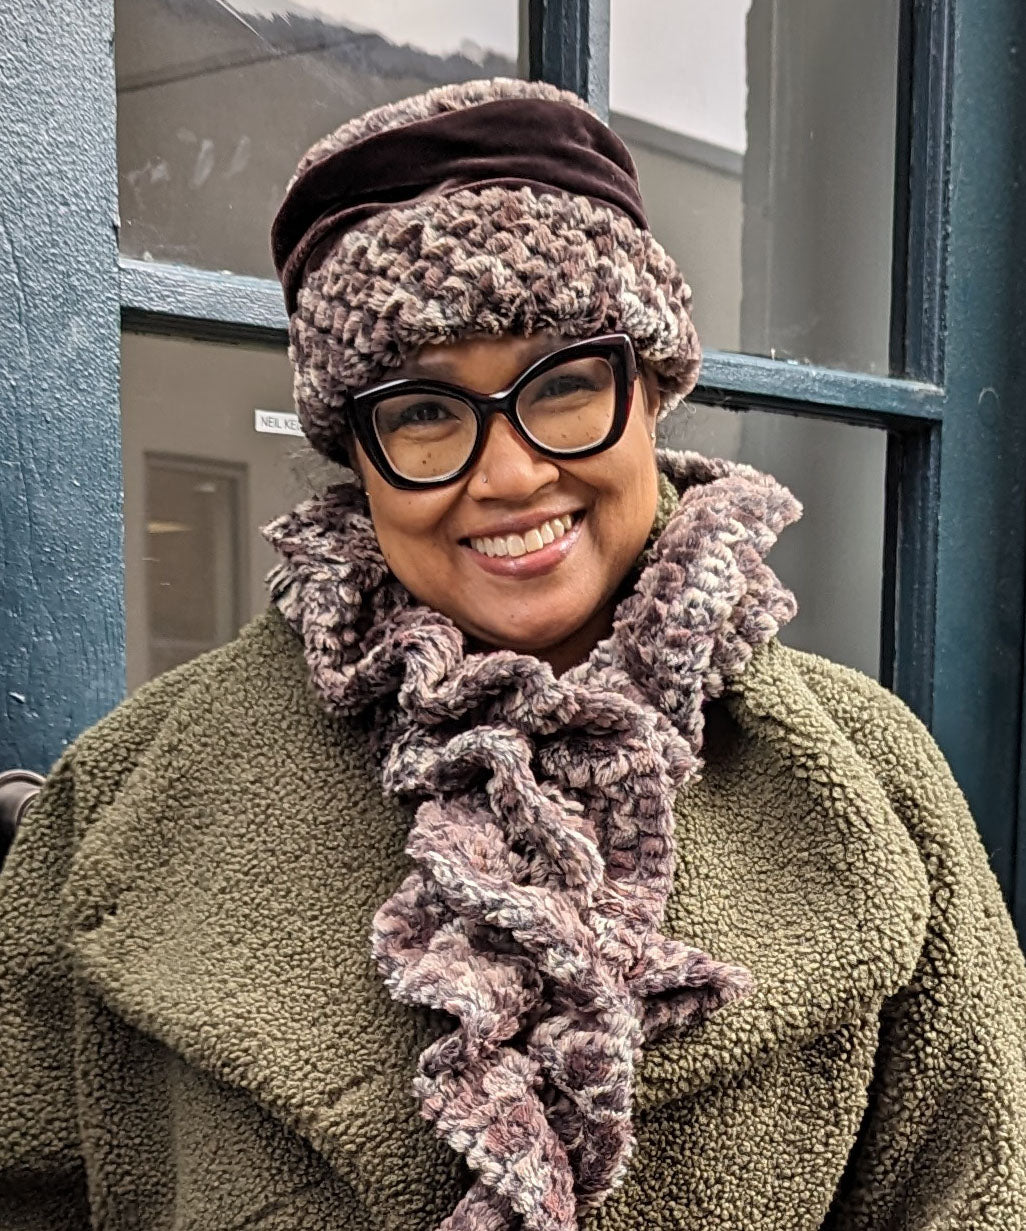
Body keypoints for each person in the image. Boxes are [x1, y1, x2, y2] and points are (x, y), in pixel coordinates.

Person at [1, 76, 1024, 1231]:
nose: (507, 475)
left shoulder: (875, 778)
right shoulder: (126, 794)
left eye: (566, 382)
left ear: (650, 391)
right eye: (426, 411)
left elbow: (976, 1191)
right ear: (361, 454)